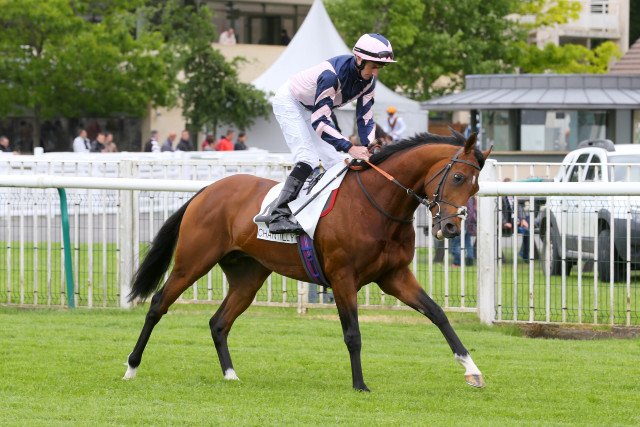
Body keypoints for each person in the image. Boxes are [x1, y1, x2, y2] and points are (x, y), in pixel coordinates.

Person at [266, 33, 396, 234]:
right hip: (290, 102)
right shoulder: (331, 76)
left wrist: (370, 146)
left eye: (381, 67)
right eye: (374, 66)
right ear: (359, 59)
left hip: (313, 109)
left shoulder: (369, 82)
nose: (376, 72)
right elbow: (319, 121)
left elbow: (365, 118)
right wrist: (350, 147)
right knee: (307, 158)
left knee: (336, 162)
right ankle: (277, 215)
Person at [502, 178, 530, 260]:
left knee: (527, 232)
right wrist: (504, 222)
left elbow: (519, 209)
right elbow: (499, 212)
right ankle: (499, 257)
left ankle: (524, 254)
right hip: (505, 226)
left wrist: (523, 219)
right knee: (495, 235)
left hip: (515, 225)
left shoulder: (515, 197)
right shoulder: (501, 198)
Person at [450, 197, 477, 267]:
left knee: (455, 243)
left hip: (461, 223)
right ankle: (469, 262)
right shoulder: (471, 198)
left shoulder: (462, 197)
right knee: (468, 244)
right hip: (469, 225)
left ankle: (457, 262)